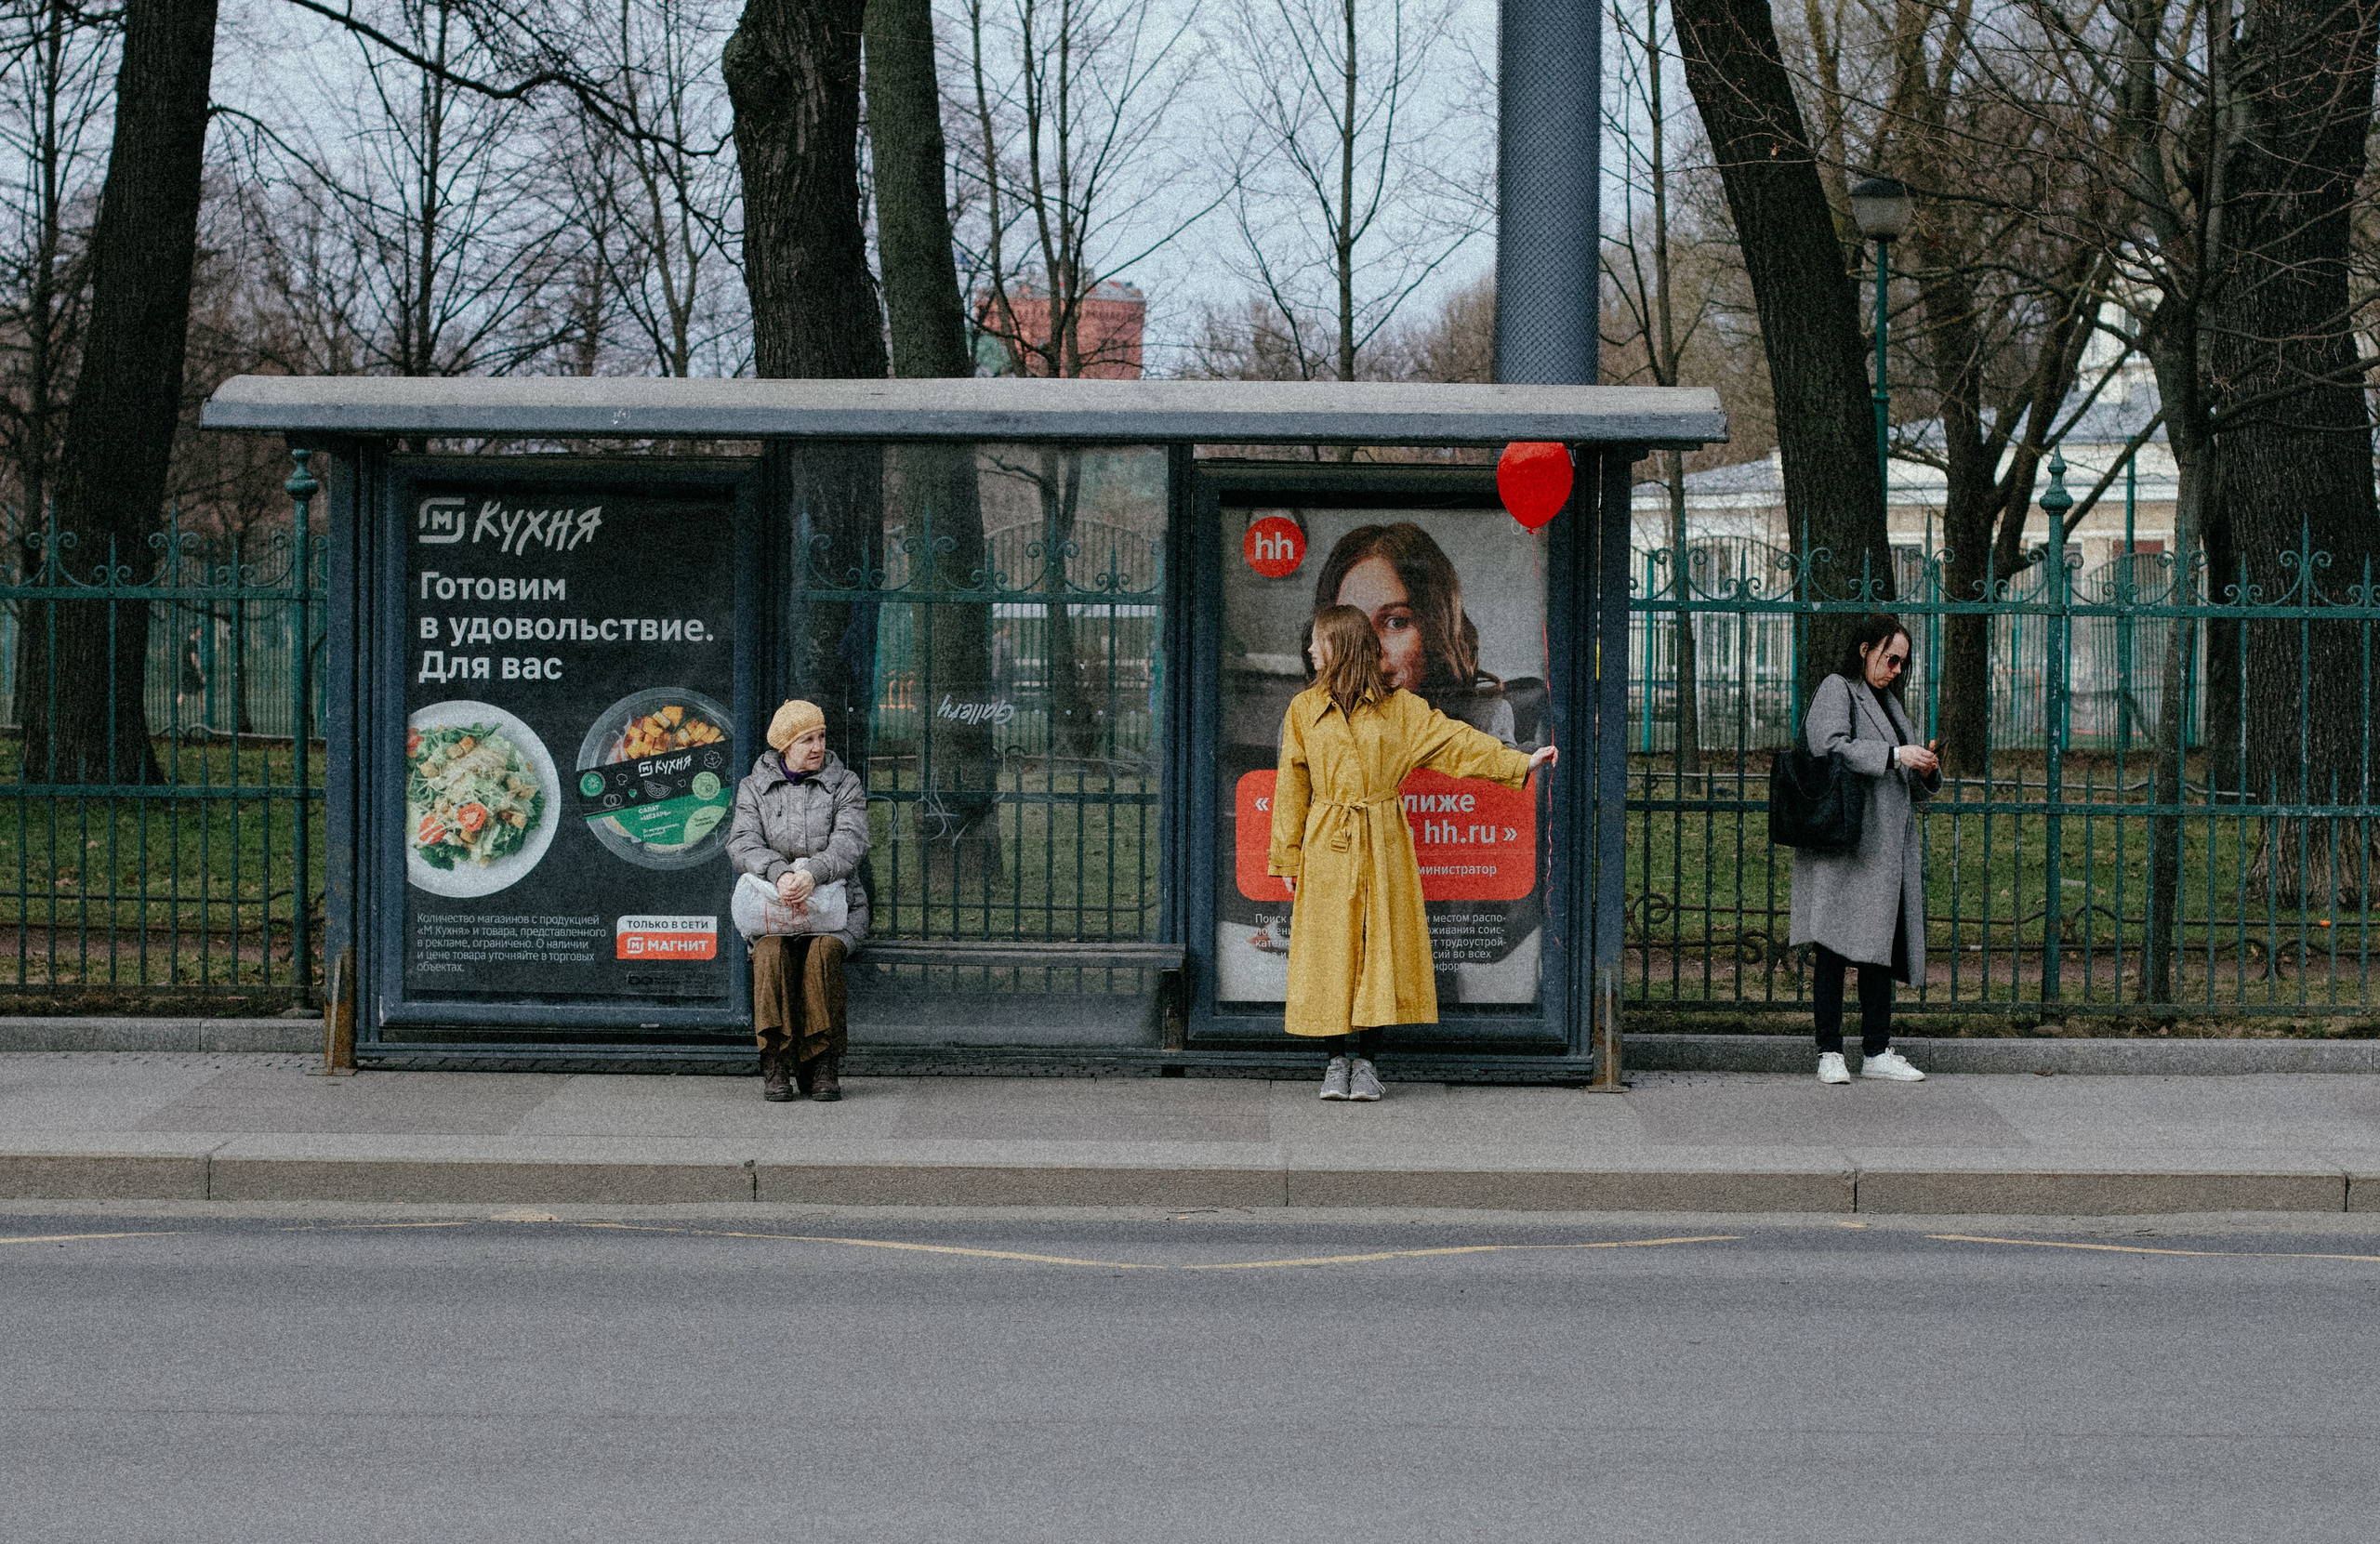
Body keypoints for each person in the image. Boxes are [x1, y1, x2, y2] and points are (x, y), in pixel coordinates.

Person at [1269, 605, 1557, 1101]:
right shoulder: (1303, 710)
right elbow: (1291, 788)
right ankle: (1335, 1061)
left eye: (1318, 641)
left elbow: (1456, 742)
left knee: (1379, 947)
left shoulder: (1399, 709)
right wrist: (1288, 859)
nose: (1311, 650)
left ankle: (1368, 1064)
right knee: (1333, 948)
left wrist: (1520, 762)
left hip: (1382, 838)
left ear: (1340, 646)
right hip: (1328, 842)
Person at [1789, 614, 1941, 1085]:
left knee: (1879, 948)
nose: (1896, 668)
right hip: (1846, 841)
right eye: (1890, 657)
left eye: (1902, 662)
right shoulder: (1838, 688)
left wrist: (1927, 766)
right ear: (1864, 649)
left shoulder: (1891, 704)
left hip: (1883, 847)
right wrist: (1897, 755)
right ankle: (1829, 1051)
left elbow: (1901, 774)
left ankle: (1877, 1050)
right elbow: (1828, 745)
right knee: (1833, 947)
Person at [727, 699, 871, 1102]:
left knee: (821, 956)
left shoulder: (845, 784)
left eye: (821, 736)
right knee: (770, 955)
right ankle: (776, 1061)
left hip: (835, 912)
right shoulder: (754, 787)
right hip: (772, 912)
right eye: (806, 739)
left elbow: (851, 839)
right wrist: (780, 873)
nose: (817, 746)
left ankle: (821, 1063)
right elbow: (742, 843)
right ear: (785, 745)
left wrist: (813, 874)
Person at [1304, 521, 1531, 746]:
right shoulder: (1306, 724)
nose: (1368, 651)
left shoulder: (1482, 724)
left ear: (1435, 631)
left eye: (1396, 622)